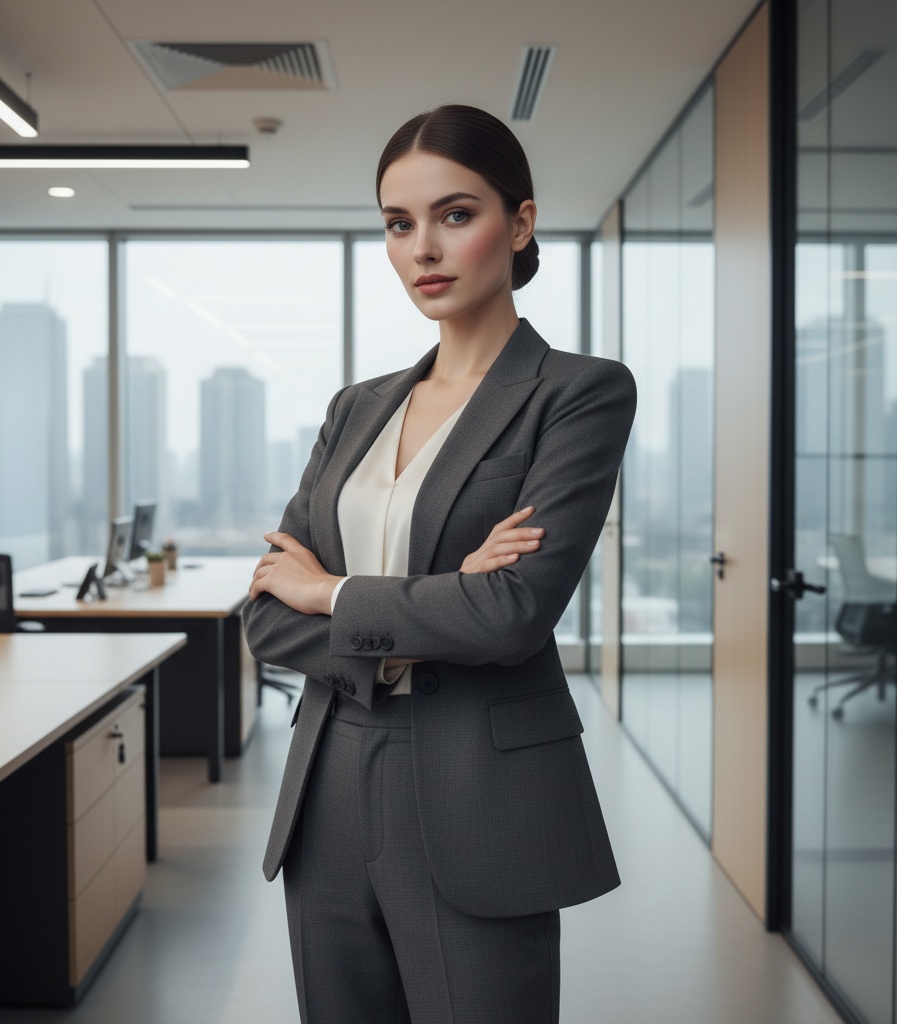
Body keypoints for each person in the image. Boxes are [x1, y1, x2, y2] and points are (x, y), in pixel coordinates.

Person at [243, 103, 636, 1024]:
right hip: (331, 772)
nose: (424, 247)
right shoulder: (357, 407)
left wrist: (331, 591)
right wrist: (441, 601)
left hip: (480, 785)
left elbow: (512, 615)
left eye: (455, 214)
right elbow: (266, 612)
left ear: (521, 222)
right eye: (398, 223)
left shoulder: (577, 394)